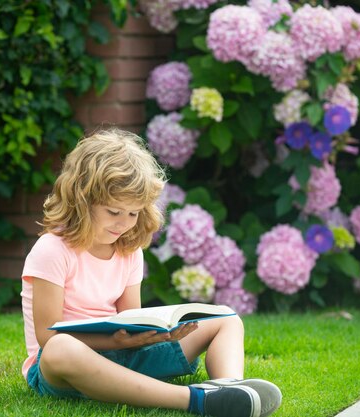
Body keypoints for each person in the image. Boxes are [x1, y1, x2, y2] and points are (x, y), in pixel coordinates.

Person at [20, 128, 282, 417]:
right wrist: (114, 342)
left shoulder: (128, 249)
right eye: (114, 212)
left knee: (225, 319)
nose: (124, 224)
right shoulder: (52, 249)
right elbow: (47, 336)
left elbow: (131, 320)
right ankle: (195, 400)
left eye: (133, 213)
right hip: (64, 366)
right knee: (60, 348)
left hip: (120, 354)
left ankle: (229, 389)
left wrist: (156, 335)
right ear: (82, 200)